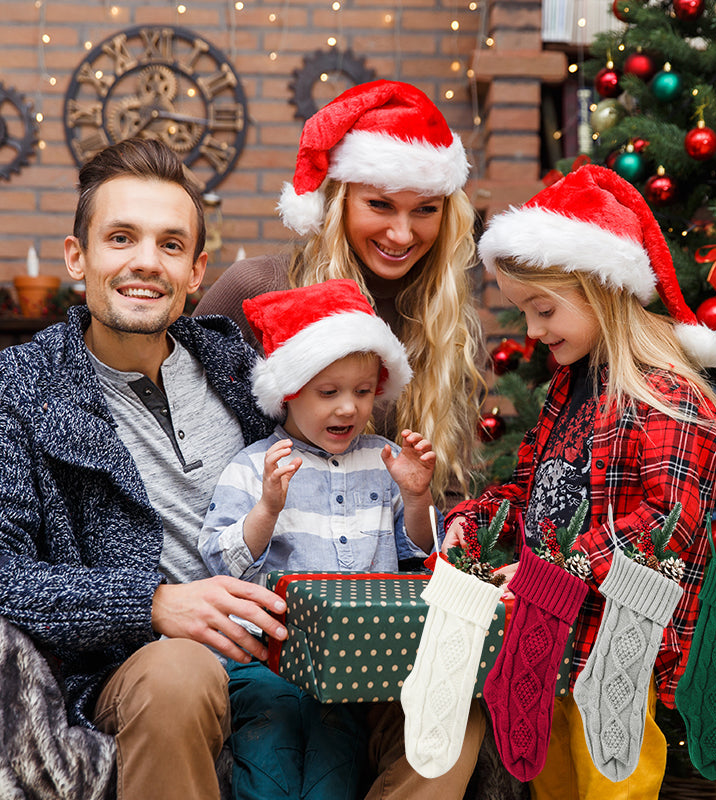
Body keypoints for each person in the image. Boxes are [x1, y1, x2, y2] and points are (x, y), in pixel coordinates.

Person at [0, 137, 290, 800]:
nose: (144, 263)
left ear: (196, 271)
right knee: (179, 675)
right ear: (79, 257)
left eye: (169, 244)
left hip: (275, 651)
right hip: (134, 670)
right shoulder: (21, 388)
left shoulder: (242, 372)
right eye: (121, 237)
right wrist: (152, 605)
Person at [443, 164, 716, 799]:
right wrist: (479, 519)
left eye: (543, 310)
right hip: (544, 644)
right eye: (525, 313)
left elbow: (667, 525)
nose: (535, 331)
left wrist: (557, 570)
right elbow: (532, 488)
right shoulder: (570, 389)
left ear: (602, 288)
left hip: (612, 652)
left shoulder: (670, 400)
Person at [200, 278, 443, 800]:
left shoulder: (384, 460)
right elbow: (221, 561)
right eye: (327, 393)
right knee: (268, 763)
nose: (348, 409)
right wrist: (267, 508)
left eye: (362, 392)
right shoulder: (254, 466)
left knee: (335, 770)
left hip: (359, 664)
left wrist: (418, 499)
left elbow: (423, 558)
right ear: (288, 392)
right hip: (267, 660)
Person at [194, 79, 485, 512]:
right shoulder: (256, 287)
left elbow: (450, 490)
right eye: (380, 205)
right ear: (339, 201)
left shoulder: (448, 327)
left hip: (393, 574)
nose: (402, 234)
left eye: (425, 209)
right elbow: (180, 426)